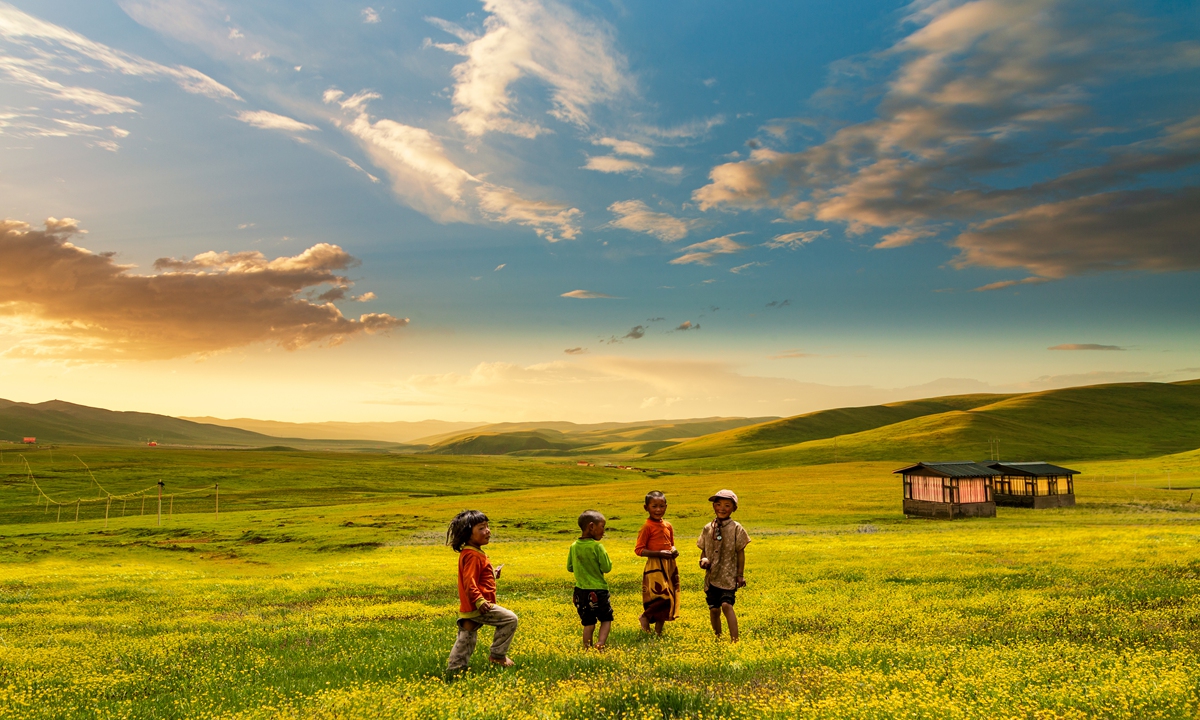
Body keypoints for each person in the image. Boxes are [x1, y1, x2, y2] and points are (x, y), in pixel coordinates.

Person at [445, 509, 518, 672]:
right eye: (481, 528)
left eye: (487, 526)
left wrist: (492, 574)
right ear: (468, 534)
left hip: (471, 605)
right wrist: (479, 600)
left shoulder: (472, 552)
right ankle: (498, 655)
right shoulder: (473, 555)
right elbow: (469, 581)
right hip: (479, 605)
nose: (488, 531)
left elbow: (475, 577)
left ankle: (455, 669)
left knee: (466, 636)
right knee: (510, 619)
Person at [696, 489, 751, 642]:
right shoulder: (708, 528)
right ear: (713, 506)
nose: (722, 508)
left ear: (734, 508)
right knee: (714, 609)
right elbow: (703, 550)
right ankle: (718, 638)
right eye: (718, 504)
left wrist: (740, 575)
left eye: (727, 505)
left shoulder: (737, 528)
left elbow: (741, 552)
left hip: (728, 576)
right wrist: (703, 560)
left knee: (727, 605)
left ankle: (735, 640)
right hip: (712, 576)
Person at [567, 509, 614, 649]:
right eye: (602, 527)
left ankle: (586, 647)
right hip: (598, 590)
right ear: (592, 526)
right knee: (606, 619)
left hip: (580, 591)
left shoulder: (574, 546)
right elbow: (607, 568)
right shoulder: (597, 546)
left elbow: (570, 567)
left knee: (588, 622)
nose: (604, 531)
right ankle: (600, 643)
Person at [635, 490, 679, 635]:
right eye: (654, 506)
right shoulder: (647, 527)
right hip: (654, 566)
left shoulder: (668, 526)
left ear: (666, 506)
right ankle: (645, 617)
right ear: (646, 507)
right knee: (662, 597)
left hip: (668, 565)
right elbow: (639, 550)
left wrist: (674, 550)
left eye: (661, 506)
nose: (658, 510)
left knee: (670, 598)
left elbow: (671, 544)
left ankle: (658, 632)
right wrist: (658, 554)